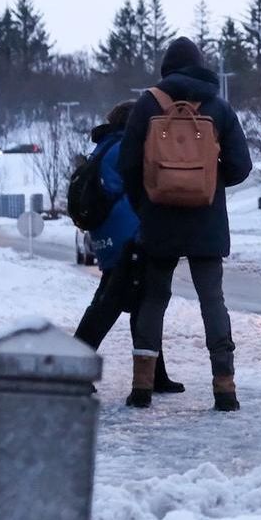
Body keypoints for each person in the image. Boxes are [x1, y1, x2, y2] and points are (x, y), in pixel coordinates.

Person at [117, 37, 252, 411]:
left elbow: (126, 164)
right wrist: (208, 178)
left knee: (154, 299)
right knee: (213, 300)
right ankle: (225, 388)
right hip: (206, 221)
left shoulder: (147, 105)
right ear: (200, 66)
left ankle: (142, 386)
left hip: (159, 219)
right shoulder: (218, 107)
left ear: (165, 71)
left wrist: (145, 203)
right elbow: (242, 167)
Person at [71, 101, 183, 395]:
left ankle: (155, 374)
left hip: (111, 235)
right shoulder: (124, 148)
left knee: (140, 303)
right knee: (109, 305)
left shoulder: (105, 147)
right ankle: (73, 371)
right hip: (129, 235)